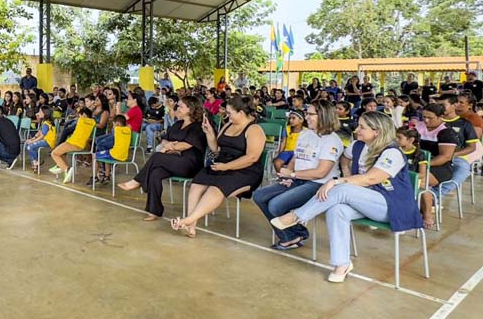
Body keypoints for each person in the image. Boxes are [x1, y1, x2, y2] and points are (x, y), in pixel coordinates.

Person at [271, 112, 424, 283]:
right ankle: (341, 264)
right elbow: (344, 158)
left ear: (377, 132)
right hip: (365, 201)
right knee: (336, 210)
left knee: (342, 188)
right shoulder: (358, 145)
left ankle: (298, 216)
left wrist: (337, 181)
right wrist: (346, 172)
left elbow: (371, 179)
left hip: (391, 206)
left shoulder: (392, 152)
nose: (357, 130)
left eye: (362, 127)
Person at [253, 100, 343, 251]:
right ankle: (292, 235)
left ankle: (292, 235)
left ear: (323, 115)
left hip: (319, 184)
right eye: (307, 113)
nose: (306, 117)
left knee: (275, 205)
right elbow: (296, 158)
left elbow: (321, 172)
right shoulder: (305, 134)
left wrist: (293, 174)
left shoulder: (332, 140)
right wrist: (289, 176)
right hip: (298, 179)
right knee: (259, 196)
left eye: (310, 114)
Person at [171, 95, 266, 237]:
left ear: (241, 113)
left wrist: (227, 167)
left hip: (245, 171)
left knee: (215, 189)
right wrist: (209, 132)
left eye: (229, 113)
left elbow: (252, 157)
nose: (226, 115)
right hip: (221, 165)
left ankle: (188, 220)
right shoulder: (228, 125)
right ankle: (191, 226)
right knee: (196, 184)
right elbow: (216, 149)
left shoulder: (254, 129)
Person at [118, 96, 207, 219]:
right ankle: (154, 211)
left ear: (190, 109)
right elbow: (164, 139)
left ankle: (137, 181)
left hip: (189, 163)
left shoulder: (198, 127)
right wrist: (167, 144)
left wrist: (170, 146)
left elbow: (186, 145)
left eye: (181, 106)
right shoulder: (178, 124)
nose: (178, 108)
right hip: (172, 160)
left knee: (157, 157)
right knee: (155, 173)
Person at [49, 107, 96, 184]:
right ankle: (61, 167)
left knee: (54, 153)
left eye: (80, 115)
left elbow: (69, 129)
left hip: (72, 143)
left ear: (83, 114)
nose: (78, 116)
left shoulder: (80, 120)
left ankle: (65, 168)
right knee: (62, 153)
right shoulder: (93, 122)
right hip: (81, 145)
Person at [25, 105, 56, 171]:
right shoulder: (44, 122)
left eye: (40, 112)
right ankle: (35, 162)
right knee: (28, 145)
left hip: (48, 141)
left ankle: (37, 161)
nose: (38, 113)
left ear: (44, 113)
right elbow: (39, 132)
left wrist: (32, 141)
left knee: (30, 146)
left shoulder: (46, 123)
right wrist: (33, 138)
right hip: (44, 140)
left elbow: (42, 136)